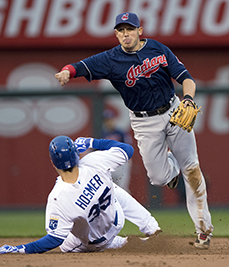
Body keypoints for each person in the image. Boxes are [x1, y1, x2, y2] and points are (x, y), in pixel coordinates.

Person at [54, 12, 213, 249]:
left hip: (173, 111)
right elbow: (81, 66)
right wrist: (67, 71)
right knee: (158, 178)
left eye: (130, 29)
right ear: (116, 34)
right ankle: (171, 165)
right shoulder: (110, 59)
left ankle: (203, 230)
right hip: (144, 122)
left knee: (192, 170)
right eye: (121, 30)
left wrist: (188, 99)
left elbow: (187, 79)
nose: (125, 34)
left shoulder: (158, 49)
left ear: (140, 31)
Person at [0, 135, 161, 254]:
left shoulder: (58, 196)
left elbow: (54, 240)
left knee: (65, 243)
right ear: (76, 153)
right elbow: (127, 149)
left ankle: (120, 243)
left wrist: (21, 249)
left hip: (95, 243)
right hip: (117, 220)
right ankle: (150, 227)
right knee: (112, 188)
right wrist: (91, 142)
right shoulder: (94, 161)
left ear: (53, 163)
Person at [102, 109, 133, 192]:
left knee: (123, 188)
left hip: (121, 163)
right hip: (109, 164)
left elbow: (129, 146)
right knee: (110, 188)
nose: (109, 122)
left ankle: (126, 205)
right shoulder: (102, 134)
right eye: (107, 120)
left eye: (110, 120)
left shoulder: (120, 133)